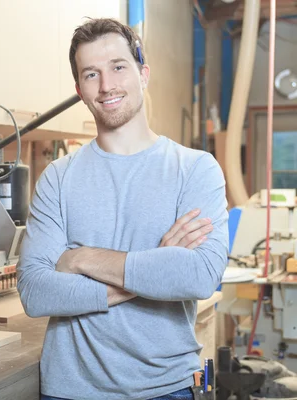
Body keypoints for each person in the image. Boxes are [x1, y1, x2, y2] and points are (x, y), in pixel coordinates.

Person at [16, 17, 229, 400]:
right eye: (91, 74)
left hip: (166, 387)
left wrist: (81, 257)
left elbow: (198, 276)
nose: (107, 85)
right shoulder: (58, 178)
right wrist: (157, 266)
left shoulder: (195, 168)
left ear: (142, 73)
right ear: (80, 89)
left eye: (118, 67)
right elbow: (35, 292)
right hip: (71, 389)